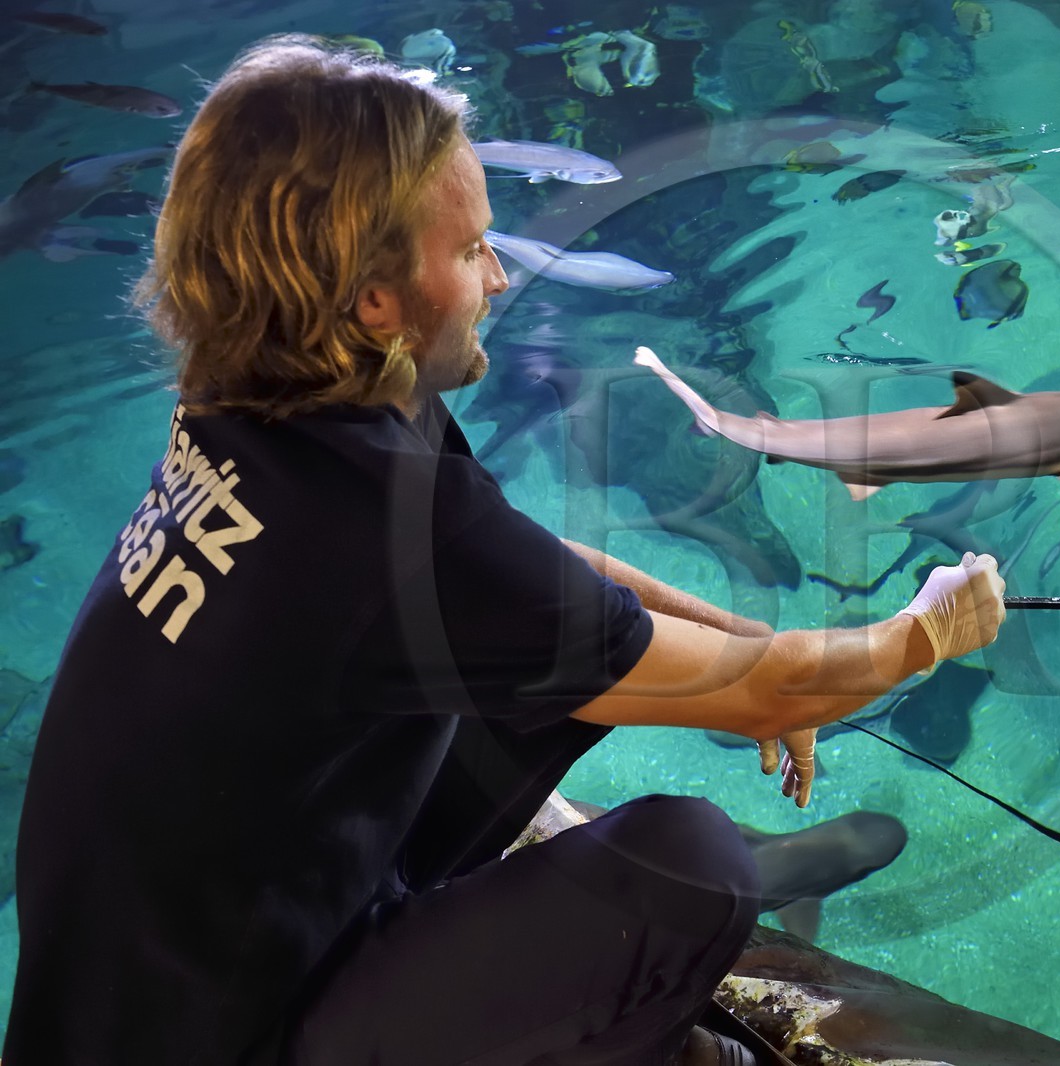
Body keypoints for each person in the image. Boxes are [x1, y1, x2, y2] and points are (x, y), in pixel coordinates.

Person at [2, 34, 1008, 1066]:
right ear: (374, 301)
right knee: (690, 860)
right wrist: (923, 633)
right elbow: (757, 690)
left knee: (541, 665)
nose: (496, 271)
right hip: (228, 1041)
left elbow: (529, 581)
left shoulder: (267, 395)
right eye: (469, 246)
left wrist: (743, 637)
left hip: (160, 983)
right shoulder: (372, 521)